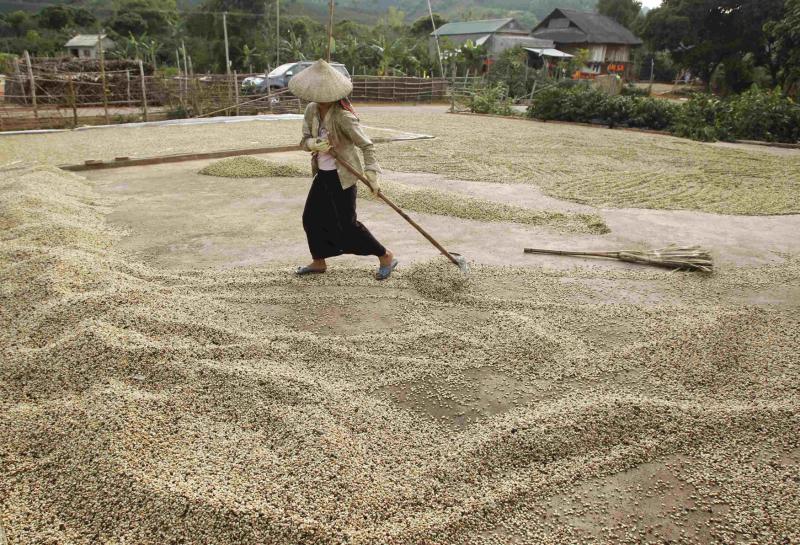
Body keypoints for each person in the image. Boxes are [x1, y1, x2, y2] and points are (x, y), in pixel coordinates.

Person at [288, 60, 398, 280]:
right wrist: (311, 145)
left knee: (347, 227)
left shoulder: (343, 116)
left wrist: (372, 176)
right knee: (311, 219)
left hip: (344, 177)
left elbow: (367, 145)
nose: (318, 96)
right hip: (323, 175)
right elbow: (304, 139)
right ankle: (319, 261)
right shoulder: (311, 110)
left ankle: (385, 256)